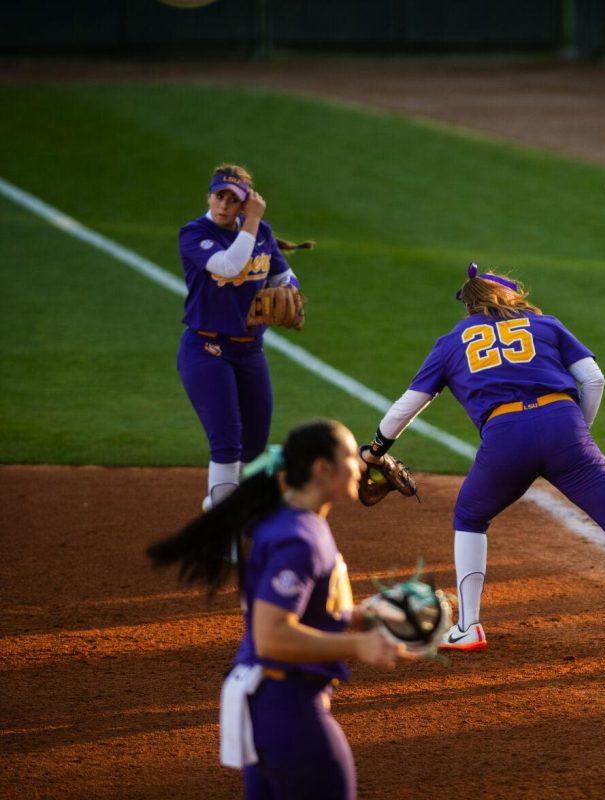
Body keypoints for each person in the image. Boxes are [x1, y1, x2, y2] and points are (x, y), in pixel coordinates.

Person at [360, 263, 605, 657]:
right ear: (511, 297)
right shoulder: (547, 325)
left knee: (470, 517)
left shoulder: (452, 342)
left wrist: (377, 448)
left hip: (505, 439)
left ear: (470, 307)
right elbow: (594, 378)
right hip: (564, 428)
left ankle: (469, 627)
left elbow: (407, 406)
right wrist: (577, 432)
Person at [147, 419, 412, 800]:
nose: (361, 464)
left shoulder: (295, 523)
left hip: (269, 705)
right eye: (351, 456)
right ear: (322, 469)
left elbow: (297, 610)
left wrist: (359, 616)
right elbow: (271, 636)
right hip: (289, 710)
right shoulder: (298, 539)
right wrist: (358, 645)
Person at [177, 164, 311, 511]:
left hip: (250, 352)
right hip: (207, 351)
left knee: (253, 445)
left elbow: (284, 275)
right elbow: (228, 265)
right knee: (227, 442)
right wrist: (252, 221)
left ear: (244, 203)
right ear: (209, 196)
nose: (223, 204)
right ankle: (223, 532)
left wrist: (291, 293)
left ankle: (221, 508)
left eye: (232, 200)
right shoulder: (195, 234)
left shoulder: (261, 232)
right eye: (219, 196)